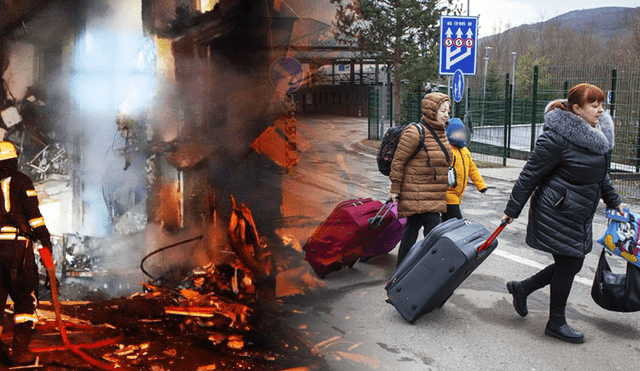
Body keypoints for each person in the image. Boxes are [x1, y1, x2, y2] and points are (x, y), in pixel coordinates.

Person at [501, 83, 623, 344]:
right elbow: (529, 175)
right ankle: (555, 322)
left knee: (572, 263)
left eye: (602, 104)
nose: (601, 110)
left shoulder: (597, 136)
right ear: (577, 109)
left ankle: (522, 288)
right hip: (557, 211)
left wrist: (614, 201)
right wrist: (512, 210)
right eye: (595, 105)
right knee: (570, 263)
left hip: (579, 213)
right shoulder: (556, 138)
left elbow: (601, 176)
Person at [0, 141, 52, 365]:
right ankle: (19, 352)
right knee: (23, 301)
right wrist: (45, 239)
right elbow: (34, 216)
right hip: (17, 248)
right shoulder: (22, 181)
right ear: (14, 159)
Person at [389, 92, 452, 267]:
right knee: (435, 231)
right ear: (431, 111)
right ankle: (431, 270)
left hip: (431, 192)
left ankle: (401, 269)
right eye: (442, 111)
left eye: (448, 111)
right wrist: (395, 188)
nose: (446, 114)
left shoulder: (441, 132)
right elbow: (398, 161)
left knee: (411, 229)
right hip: (417, 192)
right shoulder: (415, 132)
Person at [442, 118, 487, 221]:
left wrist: (481, 186)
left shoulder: (465, 151)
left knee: (446, 222)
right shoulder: (446, 150)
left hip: (457, 195)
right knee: (457, 221)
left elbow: (472, 169)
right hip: (448, 195)